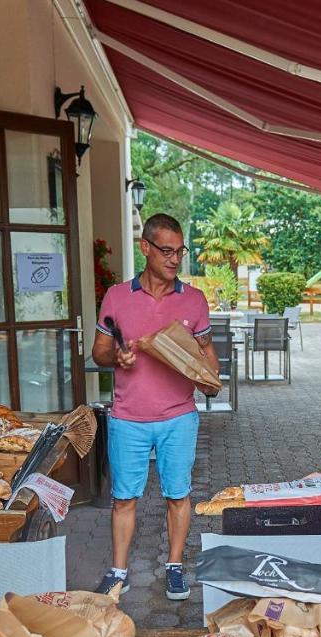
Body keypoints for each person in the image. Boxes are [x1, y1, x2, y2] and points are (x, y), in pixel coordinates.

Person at [90, 213, 218, 601]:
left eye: (180, 251)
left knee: (178, 494)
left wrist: (210, 376)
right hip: (128, 418)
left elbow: (206, 349)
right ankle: (118, 572)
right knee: (124, 498)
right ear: (145, 248)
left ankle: (175, 566)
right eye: (166, 250)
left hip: (179, 416)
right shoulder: (117, 297)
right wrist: (118, 357)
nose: (175, 259)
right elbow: (98, 352)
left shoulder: (193, 299)